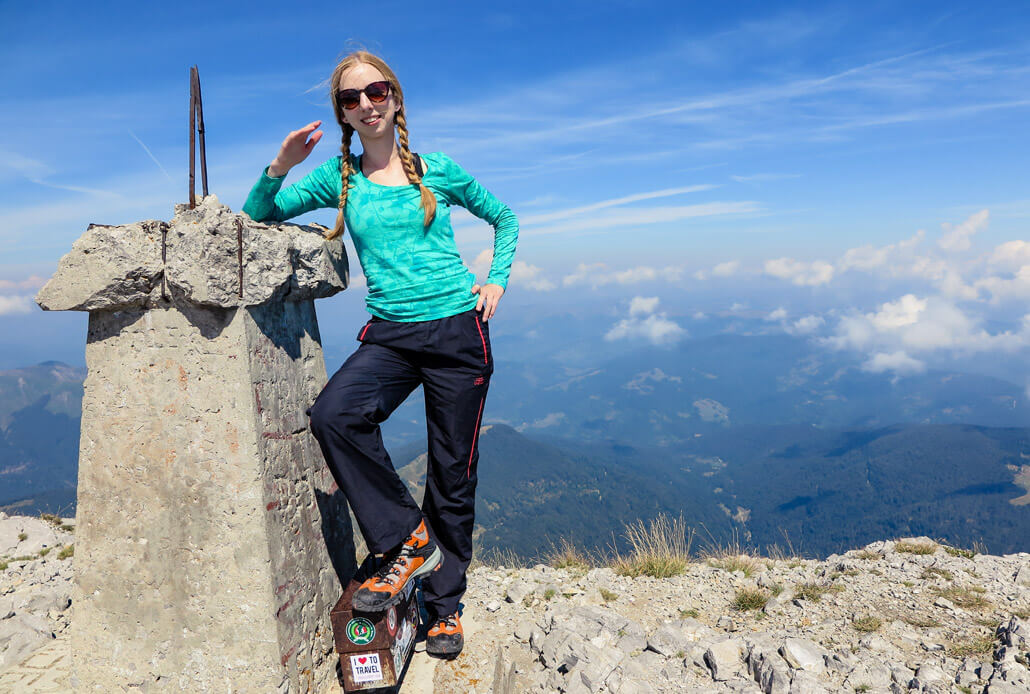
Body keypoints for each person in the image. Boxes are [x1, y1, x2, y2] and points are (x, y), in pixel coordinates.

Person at [242, 49, 518, 659]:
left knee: (452, 474)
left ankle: (443, 608)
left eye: (376, 91)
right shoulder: (337, 179)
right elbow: (256, 216)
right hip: (391, 334)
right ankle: (406, 538)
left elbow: (504, 217)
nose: (366, 104)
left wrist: (495, 278)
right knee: (333, 415)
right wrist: (281, 164)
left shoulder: (435, 169)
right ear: (341, 114)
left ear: (395, 97)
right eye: (351, 98)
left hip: (457, 333)